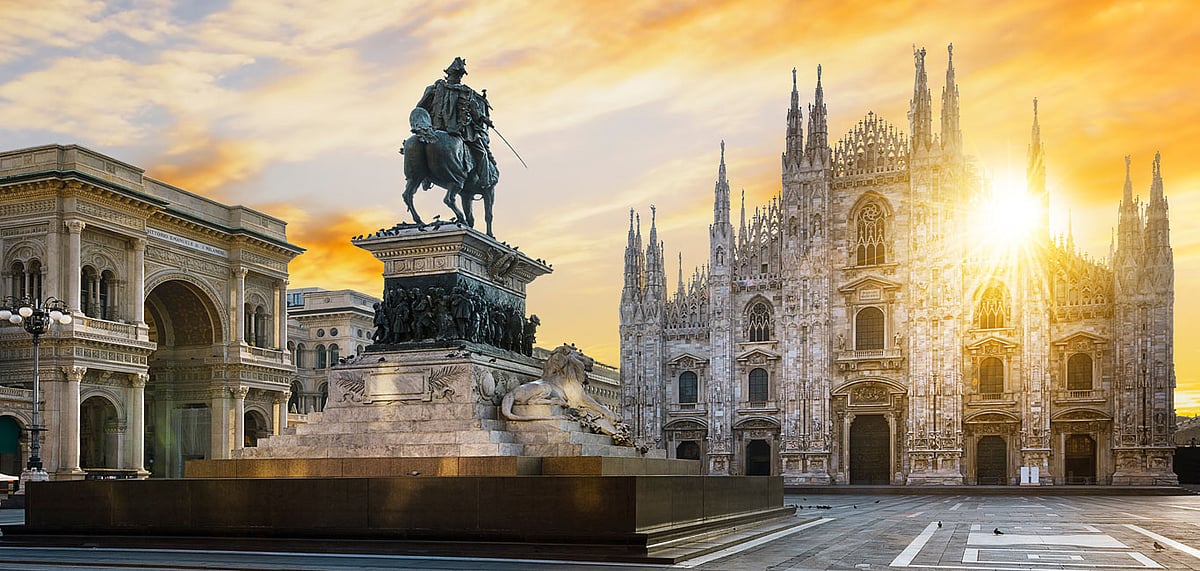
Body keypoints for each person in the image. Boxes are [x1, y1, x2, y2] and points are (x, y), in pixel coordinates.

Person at [416, 57, 498, 191]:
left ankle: (425, 177)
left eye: (459, 75)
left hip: (434, 127)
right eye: (458, 74)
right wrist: (485, 119)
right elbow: (475, 111)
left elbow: (420, 108)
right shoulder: (465, 91)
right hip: (458, 130)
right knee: (481, 152)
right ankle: (485, 181)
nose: (458, 77)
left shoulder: (433, 88)